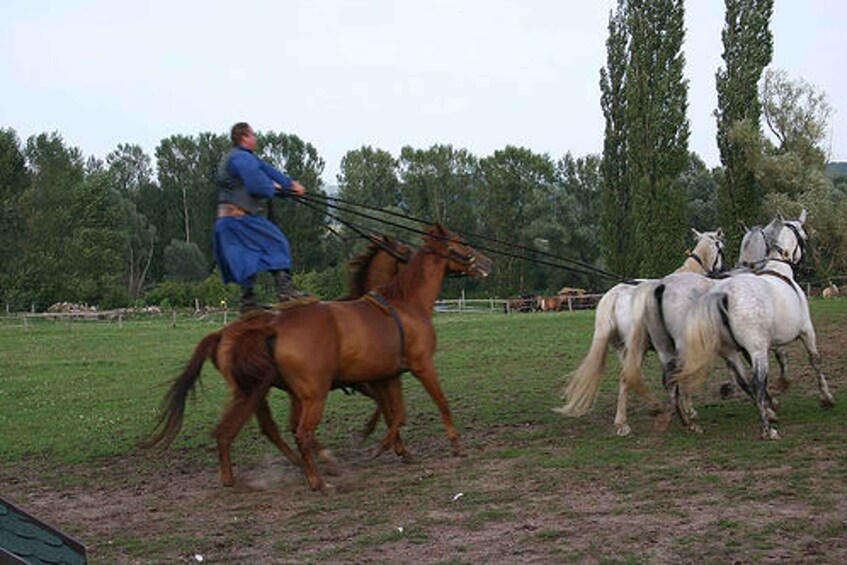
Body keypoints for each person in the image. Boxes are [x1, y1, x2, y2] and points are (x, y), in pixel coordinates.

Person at [214, 122, 310, 313]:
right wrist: (280, 188)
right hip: (241, 220)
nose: (255, 139)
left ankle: (248, 302)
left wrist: (289, 186)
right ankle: (286, 292)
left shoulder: (241, 158)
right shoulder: (241, 158)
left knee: (246, 258)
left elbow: (269, 173)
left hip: (227, 222)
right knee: (277, 242)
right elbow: (258, 184)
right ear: (245, 137)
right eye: (253, 135)